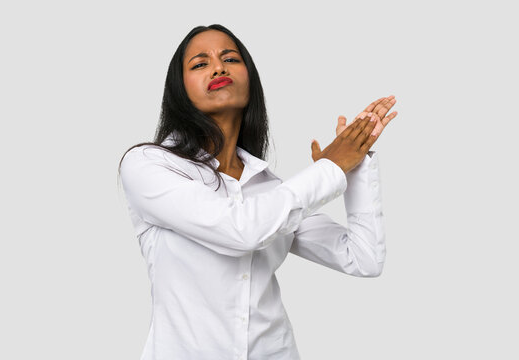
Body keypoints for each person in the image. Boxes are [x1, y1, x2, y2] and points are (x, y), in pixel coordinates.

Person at [117, 24, 398, 360]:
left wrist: (356, 161)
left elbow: (363, 258)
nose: (218, 67)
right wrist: (329, 169)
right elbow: (241, 230)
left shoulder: (270, 188)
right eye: (199, 64)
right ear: (180, 91)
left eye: (230, 58)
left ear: (249, 78)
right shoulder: (150, 165)